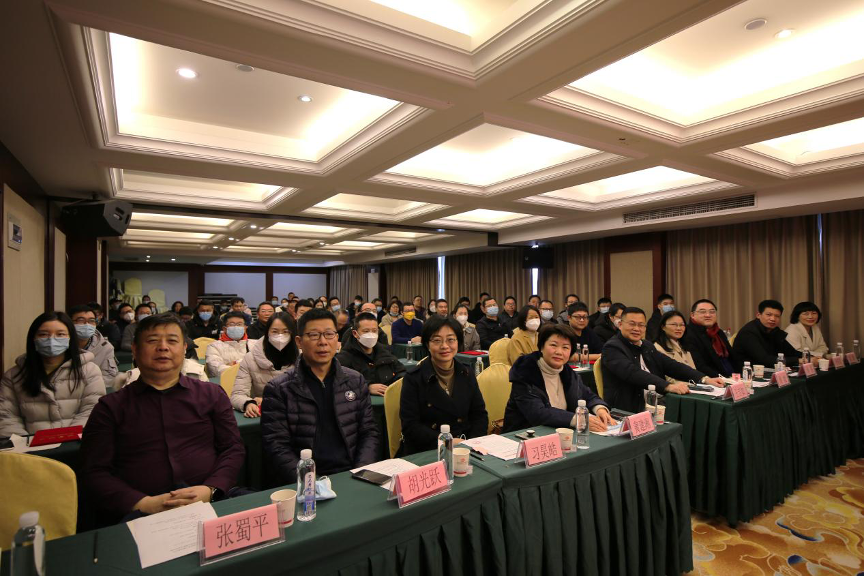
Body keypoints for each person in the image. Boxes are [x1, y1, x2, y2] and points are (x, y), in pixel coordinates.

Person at [80, 313, 245, 525]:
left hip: (212, 500)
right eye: (152, 341)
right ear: (135, 349)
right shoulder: (110, 407)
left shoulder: (211, 394)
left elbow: (232, 448)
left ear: (184, 349)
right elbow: (94, 471)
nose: (163, 347)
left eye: (172, 341)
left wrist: (210, 488)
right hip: (140, 512)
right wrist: (143, 503)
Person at [262, 308, 379, 483]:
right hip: (305, 481)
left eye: (329, 334)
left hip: (352, 474)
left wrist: (361, 472)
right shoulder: (279, 389)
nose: (323, 342)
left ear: (337, 339)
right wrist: (311, 483)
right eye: (314, 335)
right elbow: (276, 446)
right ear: (299, 342)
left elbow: (368, 432)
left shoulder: (355, 381)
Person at [0, 311, 105, 437]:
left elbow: (90, 411)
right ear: (33, 338)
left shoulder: (89, 371)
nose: (51, 340)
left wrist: (67, 440)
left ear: (70, 338)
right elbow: (7, 417)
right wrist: (27, 444)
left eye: (60, 334)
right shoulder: (14, 376)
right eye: (43, 334)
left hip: (75, 443)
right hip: (28, 446)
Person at [601, 307, 723, 414]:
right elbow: (633, 373)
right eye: (632, 324)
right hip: (630, 407)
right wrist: (667, 386)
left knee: (700, 408)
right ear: (620, 324)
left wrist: (704, 379)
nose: (637, 329)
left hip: (657, 402)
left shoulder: (646, 345)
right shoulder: (612, 347)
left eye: (641, 325)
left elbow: (670, 365)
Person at [399, 316, 488, 455]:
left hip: (466, 448)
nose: (445, 346)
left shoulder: (467, 373)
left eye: (451, 339)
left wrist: (471, 444)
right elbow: (410, 427)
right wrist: (446, 442)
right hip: (428, 450)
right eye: (437, 340)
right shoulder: (414, 379)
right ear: (427, 344)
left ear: (458, 342)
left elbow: (479, 415)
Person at [504, 325, 615, 433]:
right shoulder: (525, 372)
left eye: (565, 347)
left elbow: (587, 395)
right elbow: (537, 413)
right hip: (525, 434)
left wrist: (599, 408)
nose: (559, 352)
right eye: (553, 345)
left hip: (561, 432)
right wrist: (577, 419)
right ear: (541, 347)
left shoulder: (567, 372)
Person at [232, 313, 298, 417]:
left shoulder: (303, 358)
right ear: (267, 332)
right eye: (275, 331)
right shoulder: (250, 358)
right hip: (264, 415)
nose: (280, 336)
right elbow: (237, 395)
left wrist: (269, 401)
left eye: (285, 332)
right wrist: (248, 403)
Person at [337, 313, 405, 397]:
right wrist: (367, 386)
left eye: (374, 331)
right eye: (366, 331)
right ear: (355, 333)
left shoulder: (384, 351)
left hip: (388, 397)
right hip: (362, 401)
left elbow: (401, 371)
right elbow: (342, 383)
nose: (371, 335)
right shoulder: (344, 358)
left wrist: (396, 385)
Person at [732, 300, 802, 370]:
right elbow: (764, 359)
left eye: (777, 316)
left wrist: (806, 357)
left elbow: (791, 352)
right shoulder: (748, 332)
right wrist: (798, 360)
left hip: (767, 370)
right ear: (758, 315)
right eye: (769, 315)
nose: (773, 319)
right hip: (746, 372)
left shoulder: (775, 331)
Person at [681, 299, 736, 377]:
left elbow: (732, 358)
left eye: (712, 312)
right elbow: (699, 366)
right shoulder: (688, 333)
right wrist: (723, 379)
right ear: (692, 315)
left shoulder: (718, 332)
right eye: (702, 312)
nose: (708, 315)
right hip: (712, 379)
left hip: (733, 377)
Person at [69, 305, 118, 389]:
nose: (87, 324)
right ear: (69, 322)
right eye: (81, 320)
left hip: (93, 391)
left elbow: (109, 377)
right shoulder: (60, 344)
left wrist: (85, 389)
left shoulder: (105, 346)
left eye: (91, 321)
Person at [205, 312, 256, 377]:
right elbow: (216, 370)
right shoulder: (214, 346)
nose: (236, 327)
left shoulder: (255, 344)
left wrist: (235, 364)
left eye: (239, 324)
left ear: (245, 327)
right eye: (232, 324)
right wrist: (246, 366)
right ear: (224, 328)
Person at [654, 311, 697, 382]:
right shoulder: (657, 348)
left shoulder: (683, 346)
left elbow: (694, 371)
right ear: (663, 327)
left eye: (682, 325)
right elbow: (668, 379)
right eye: (674, 324)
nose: (679, 328)